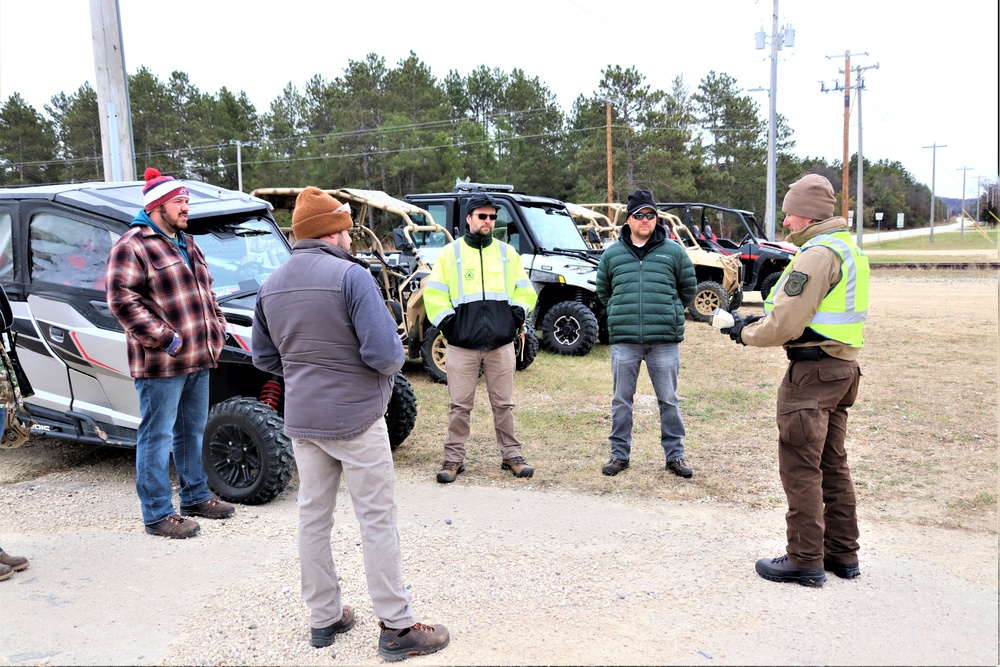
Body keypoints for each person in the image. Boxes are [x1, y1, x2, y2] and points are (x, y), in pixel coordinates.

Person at [251, 187, 449, 660]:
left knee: (312, 520)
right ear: (334, 231)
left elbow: (264, 357)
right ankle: (397, 627)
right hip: (357, 419)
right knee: (376, 520)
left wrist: (306, 372)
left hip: (303, 419)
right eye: (346, 228)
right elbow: (385, 355)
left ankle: (324, 618)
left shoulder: (270, 284)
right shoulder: (351, 277)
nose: (350, 236)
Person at [720, 174, 870, 587]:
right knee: (832, 464)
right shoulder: (847, 248)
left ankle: (805, 559)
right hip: (843, 369)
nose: (785, 222)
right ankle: (843, 555)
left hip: (813, 374)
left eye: (789, 213)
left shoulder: (816, 255)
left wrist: (745, 332)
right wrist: (761, 321)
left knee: (801, 466)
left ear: (807, 214)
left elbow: (786, 321)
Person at [106, 168, 235, 539]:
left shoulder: (189, 242)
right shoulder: (132, 245)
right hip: (162, 360)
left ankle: (195, 497)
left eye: (187, 201)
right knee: (157, 436)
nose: (186, 208)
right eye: (180, 201)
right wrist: (166, 339)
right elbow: (121, 301)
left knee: (192, 432)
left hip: (200, 355)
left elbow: (209, 292)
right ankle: (158, 514)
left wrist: (219, 325)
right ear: (158, 204)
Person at [423, 192, 538, 484]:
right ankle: (453, 459)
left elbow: (525, 291)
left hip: (500, 345)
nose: (488, 221)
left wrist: (514, 317)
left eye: (492, 216)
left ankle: (512, 455)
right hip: (462, 346)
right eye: (482, 216)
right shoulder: (451, 254)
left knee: (504, 404)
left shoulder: (506, 253)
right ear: (469, 218)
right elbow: (434, 294)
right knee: (460, 405)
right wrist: (450, 325)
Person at [596, 189, 697, 478]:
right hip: (625, 341)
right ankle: (619, 455)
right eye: (639, 215)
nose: (645, 220)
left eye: (650, 215)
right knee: (621, 401)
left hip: (664, 341)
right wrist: (620, 307)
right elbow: (604, 291)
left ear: (656, 219)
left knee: (669, 400)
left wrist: (669, 308)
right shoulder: (612, 254)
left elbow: (687, 289)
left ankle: (675, 457)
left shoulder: (674, 252)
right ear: (628, 220)